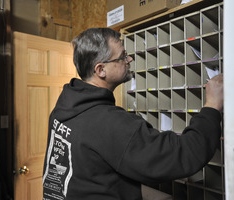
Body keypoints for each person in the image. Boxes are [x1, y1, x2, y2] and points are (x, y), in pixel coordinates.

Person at [42, 28, 223, 200]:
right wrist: (212, 106)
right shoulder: (109, 122)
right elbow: (182, 155)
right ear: (100, 70)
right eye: (122, 57)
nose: (129, 60)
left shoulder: (63, 109)